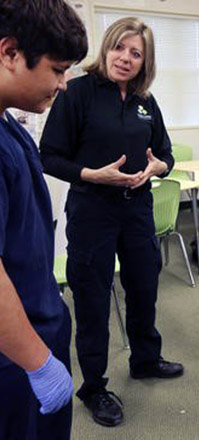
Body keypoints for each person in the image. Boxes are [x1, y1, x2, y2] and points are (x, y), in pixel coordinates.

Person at [40, 17, 183, 427]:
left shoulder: (145, 101)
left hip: (137, 207)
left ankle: (145, 359)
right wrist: (91, 174)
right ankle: (94, 387)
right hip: (92, 210)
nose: (125, 58)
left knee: (144, 286)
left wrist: (157, 168)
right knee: (93, 298)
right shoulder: (79, 93)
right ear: (106, 47)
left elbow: (167, 154)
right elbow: (48, 155)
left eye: (135, 53)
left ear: (145, 62)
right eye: (119, 47)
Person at [0, 1, 87, 439]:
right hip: (15, 355)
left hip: (35, 331)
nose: (64, 84)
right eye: (57, 69)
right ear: (10, 53)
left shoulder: (10, 127)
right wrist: (36, 361)